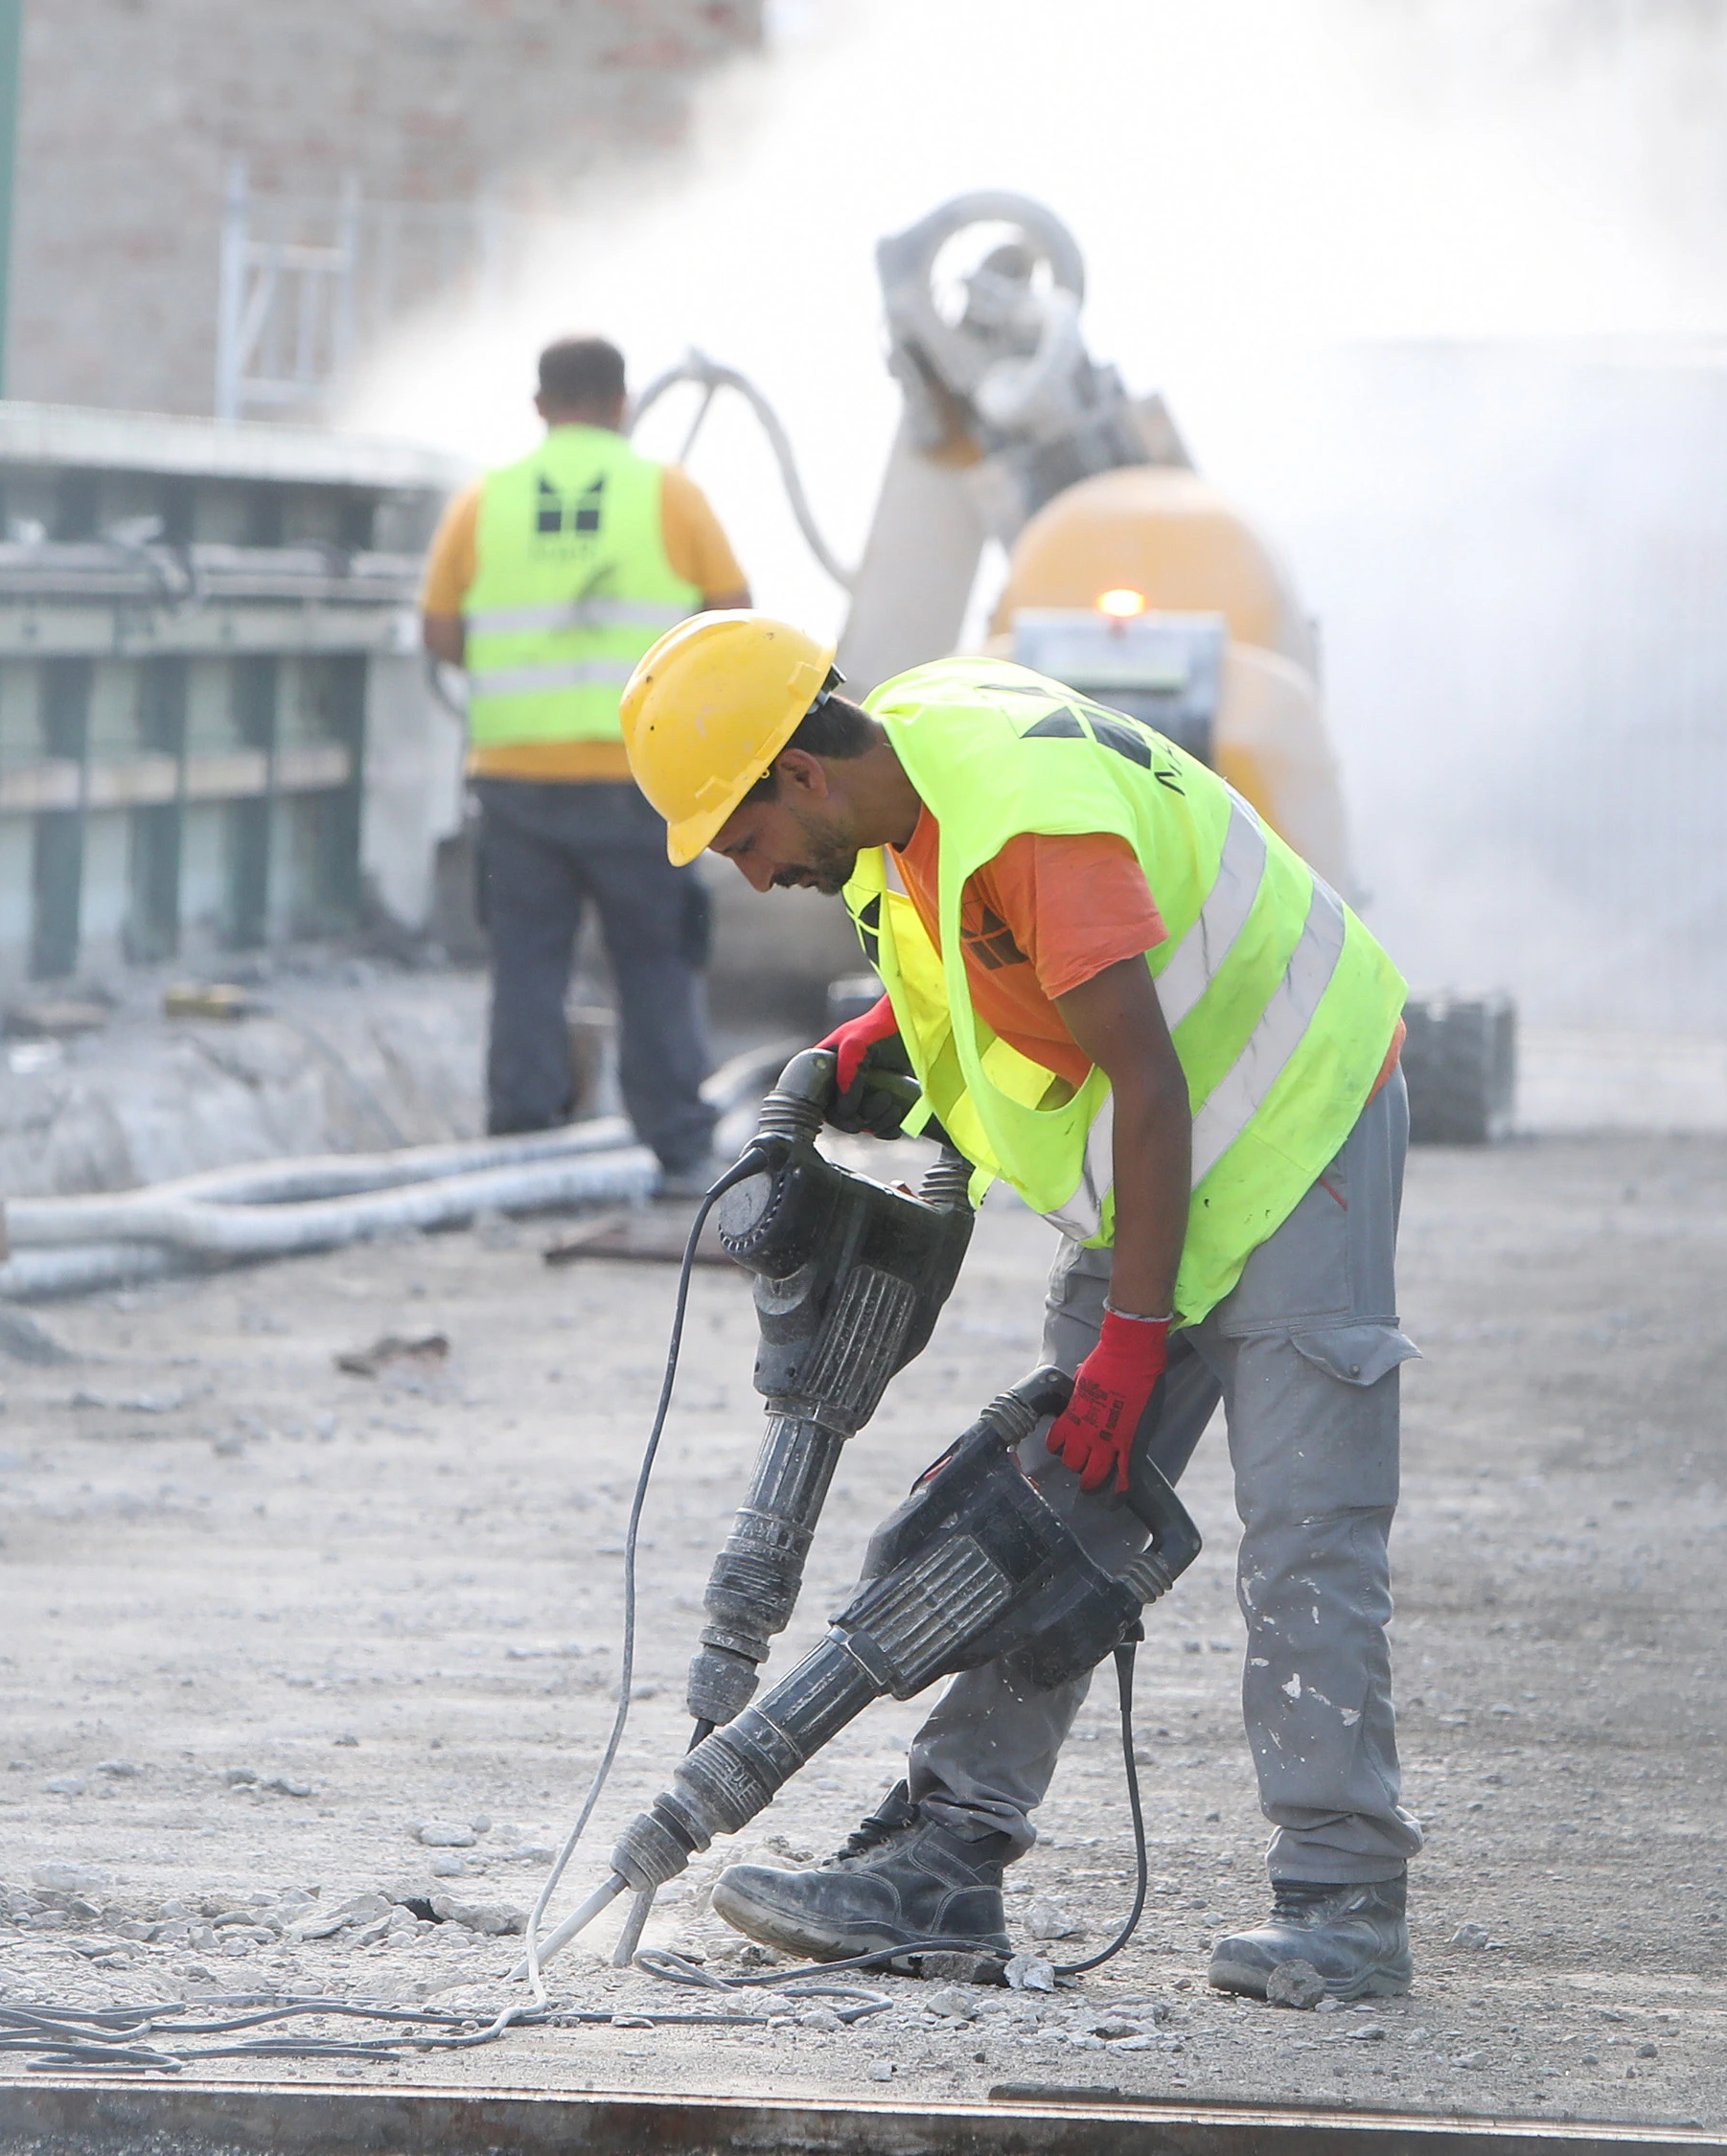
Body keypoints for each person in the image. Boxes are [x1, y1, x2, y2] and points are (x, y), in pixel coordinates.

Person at [617, 612, 1423, 2005]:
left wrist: (1127, 1340)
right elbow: (997, 993)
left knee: (1303, 1525)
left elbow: (1155, 1079)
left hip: (1294, 1121)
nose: (749, 873)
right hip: (1157, 1164)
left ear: (798, 772)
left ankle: (1343, 1898)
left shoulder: (1019, 823)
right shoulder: (901, 801)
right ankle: (943, 1859)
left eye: (738, 837)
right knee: (1038, 1513)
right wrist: (884, 1045)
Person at [421, 335, 748, 1183]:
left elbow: (440, 630)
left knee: (528, 963)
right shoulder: (670, 497)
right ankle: (678, 1145)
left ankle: (523, 1144)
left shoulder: (482, 503)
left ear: (539, 405)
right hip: (641, 777)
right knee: (657, 959)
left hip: (515, 776)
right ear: (622, 402)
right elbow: (732, 621)